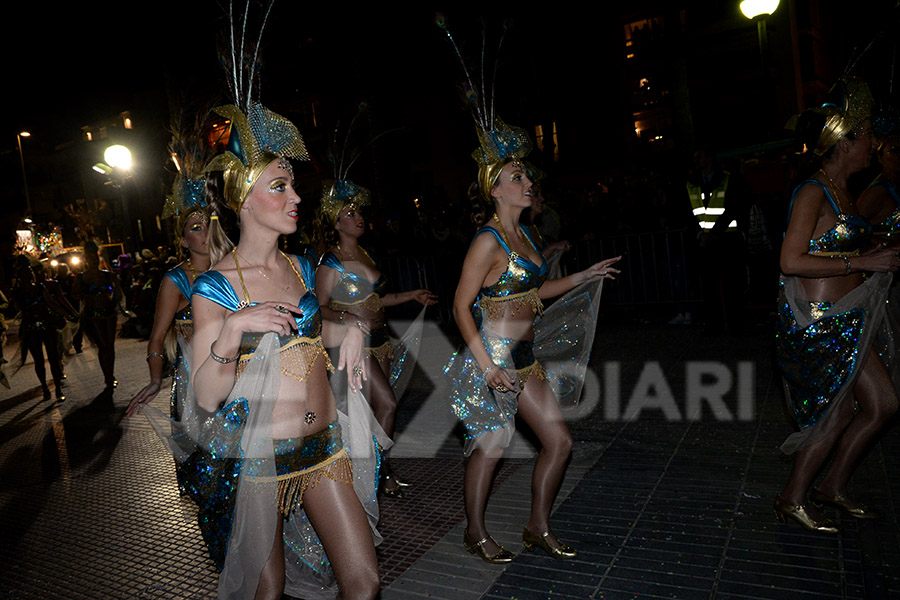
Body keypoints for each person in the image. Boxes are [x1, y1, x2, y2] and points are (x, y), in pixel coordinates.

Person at [189, 102, 380, 599]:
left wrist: (351, 329)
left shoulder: (302, 266)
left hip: (323, 449)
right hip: (258, 460)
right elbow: (207, 396)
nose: (295, 196)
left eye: (293, 185)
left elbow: (309, 334)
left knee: (364, 582)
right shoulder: (216, 287)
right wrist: (232, 331)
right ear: (243, 199)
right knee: (266, 589)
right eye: (280, 186)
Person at [446, 112, 620, 562]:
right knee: (492, 446)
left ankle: (537, 526)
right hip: (491, 360)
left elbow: (534, 290)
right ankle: (475, 531)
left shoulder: (524, 234)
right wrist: (487, 366)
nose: (528, 183)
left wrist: (583, 275)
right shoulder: (487, 241)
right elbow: (460, 306)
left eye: (526, 175)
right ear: (495, 188)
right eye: (517, 176)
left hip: (524, 359)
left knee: (559, 442)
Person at [775, 76, 899, 533]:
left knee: (882, 404)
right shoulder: (813, 191)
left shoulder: (845, 192)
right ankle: (793, 497)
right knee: (838, 411)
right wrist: (862, 259)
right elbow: (791, 260)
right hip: (821, 322)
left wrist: (880, 247)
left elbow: (839, 244)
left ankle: (830, 487)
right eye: (867, 137)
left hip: (849, 319)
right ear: (844, 141)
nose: (874, 146)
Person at [315, 178, 437, 497]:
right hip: (354, 347)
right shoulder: (330, 262)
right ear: (336, 222)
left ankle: (380, 470)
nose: (359, 218)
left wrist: (412, 295)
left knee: (372, 414)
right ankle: (375, 476)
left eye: (359, 213)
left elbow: (375, 301)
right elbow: (319, 308)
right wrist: (346, 317)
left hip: (382, 343)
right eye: (350, 213)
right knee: (388, 405)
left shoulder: (367, 254)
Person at [685, 144, 751, 334]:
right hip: (704, 244)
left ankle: (735, 323)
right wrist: (700, 235)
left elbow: (734, 208)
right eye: (695, 157)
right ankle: (714, 324)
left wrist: (714, 234)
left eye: (700, 157)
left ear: (710, 158)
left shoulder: (730, 180)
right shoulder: (691, 183)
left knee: (733, 285)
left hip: (727, 241)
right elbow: (688, 213)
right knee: (708, 286)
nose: (697, 161)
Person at [10, 258, 76, 401]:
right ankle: (45, 388)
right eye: (25, 273)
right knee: (39, 360)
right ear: (20, 276)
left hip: (46, 325)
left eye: (30, 272)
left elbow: (52, 303)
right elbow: (17, 308)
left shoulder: (40, 287)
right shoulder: (17, 292)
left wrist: (67, 315)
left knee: (53, 357)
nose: (29, 275)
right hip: (30, 328)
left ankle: (57, 388)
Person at [72, 240, 121, 391]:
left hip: (109, 313)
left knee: (110, 345)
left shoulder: (108, 275)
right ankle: (107, 376)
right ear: (86, 260)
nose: (93, 261)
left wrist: (114, 300)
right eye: (89, 258)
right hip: (92, 316)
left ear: (98, 259)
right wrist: (83, 292)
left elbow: (118, 294)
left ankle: (111, 375)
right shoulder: (80, 278)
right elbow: (74, 295)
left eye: (95, 258)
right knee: (102, 346)